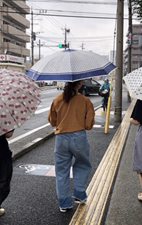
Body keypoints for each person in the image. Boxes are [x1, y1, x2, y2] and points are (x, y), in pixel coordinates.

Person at [48, 80, 95, 213]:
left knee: (62, 171)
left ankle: (64, 203)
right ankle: (80, 195)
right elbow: (89, 125)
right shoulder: (85, 101)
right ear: (79, 84)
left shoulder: (57, 100)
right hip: (79, 137)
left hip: (61, 138)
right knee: (82, 165)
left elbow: (52, 121)